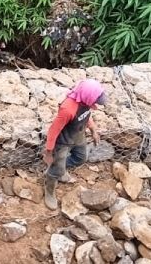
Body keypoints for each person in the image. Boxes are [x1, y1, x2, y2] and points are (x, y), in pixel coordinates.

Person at [42, 79, 106, 210]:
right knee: (57, 169)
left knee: (80, 158)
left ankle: (58, 168)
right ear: (88, 96)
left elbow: (86, 115)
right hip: (63, 142)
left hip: (78, 137)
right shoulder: (68, 109)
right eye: (95, 101)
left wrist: (93, 130)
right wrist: (48, 152)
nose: (95, 104)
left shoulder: (85, 101)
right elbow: (53, 131)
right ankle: (49, 188)